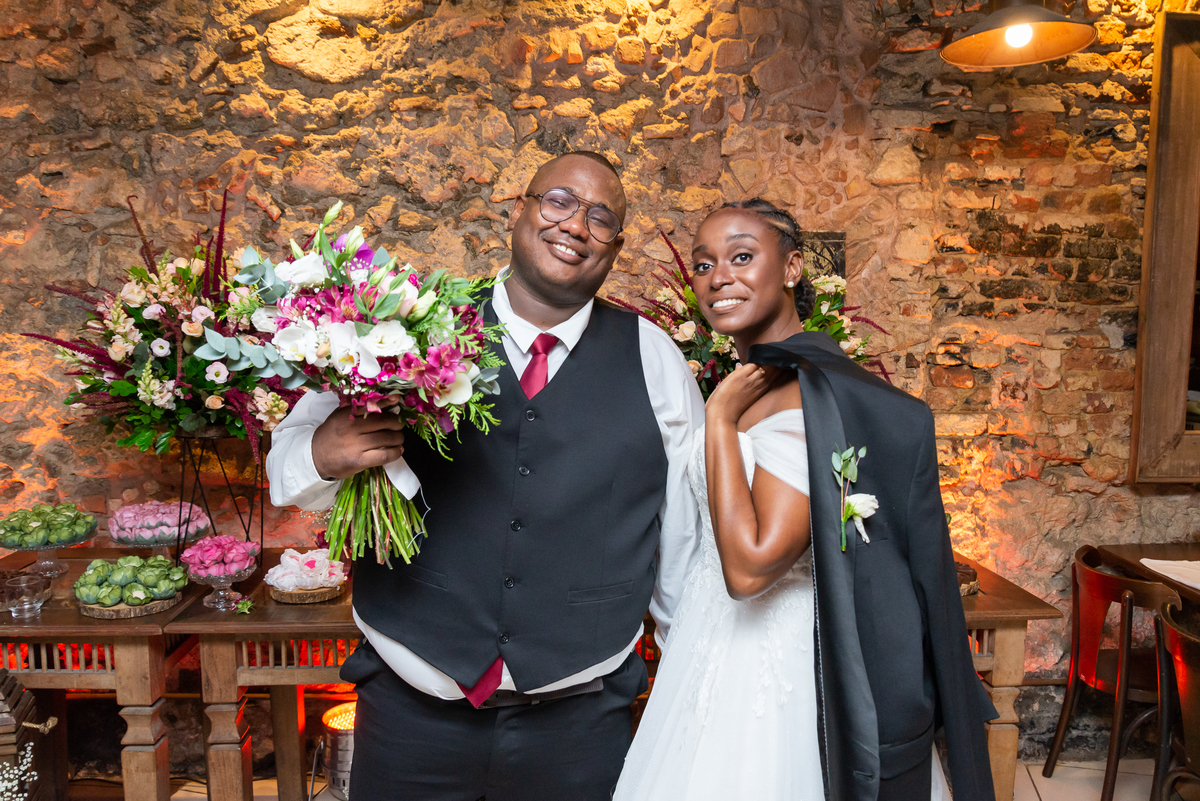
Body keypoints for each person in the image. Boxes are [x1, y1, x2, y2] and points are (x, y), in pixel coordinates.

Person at [265, 151, 705, 800]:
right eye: (559, 201)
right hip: (411, 714)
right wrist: (324, 452)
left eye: (601, 217)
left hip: (581, 724)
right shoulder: (407, 321)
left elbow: (683, 541)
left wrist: (685, 689)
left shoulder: (655, 360)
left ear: (615, 247)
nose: (575, 224)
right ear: (516, 212)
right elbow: (285, 470)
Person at [614, 199, 995, 801]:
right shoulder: (755, 384)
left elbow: (749, 570)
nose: (718, 278)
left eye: (742, 257)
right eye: (704, 264)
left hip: (777, 667)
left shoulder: (806, 395)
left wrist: (719, 421)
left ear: (792, 268)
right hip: (707, 647)